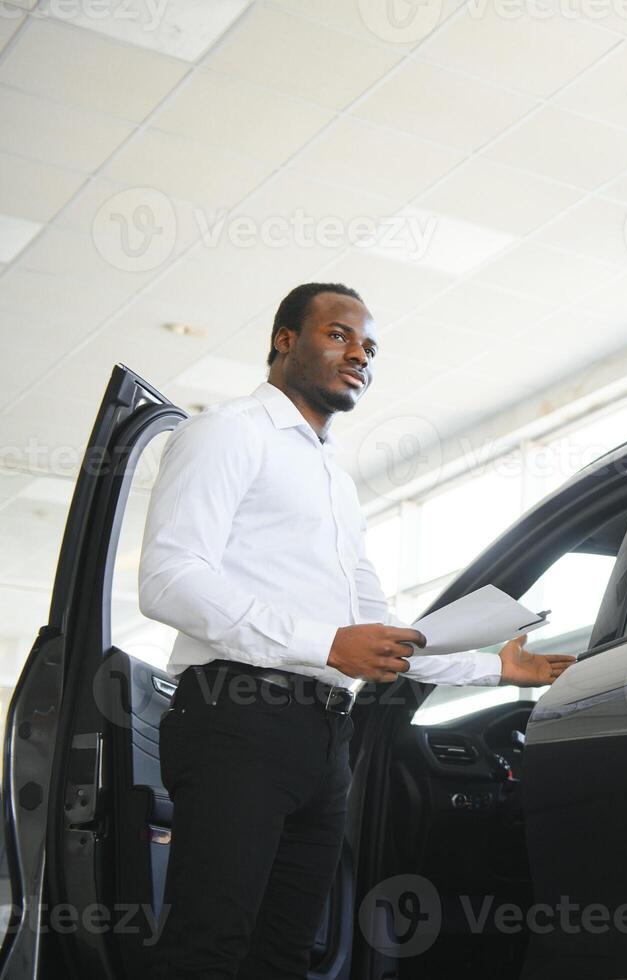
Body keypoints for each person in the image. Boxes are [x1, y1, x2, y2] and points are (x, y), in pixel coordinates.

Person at [137, 282, 574, 979]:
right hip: (236, 719)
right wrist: (324, 643)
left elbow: (381, 638)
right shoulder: (227, 432)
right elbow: (168, 579)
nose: (359, 355)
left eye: (369, 347)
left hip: (324, 734)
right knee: (208, 946)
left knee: (283, 954)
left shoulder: (334, 483)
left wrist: (495, 669)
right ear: (285, 339)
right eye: (339, 334)